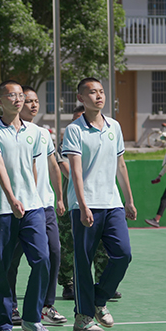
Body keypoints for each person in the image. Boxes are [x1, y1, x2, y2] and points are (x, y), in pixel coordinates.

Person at [62, 78, 137, 331]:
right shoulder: (74, 130)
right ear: (81, 98)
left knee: (123, 254)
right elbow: (75, 170)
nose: (99, 96)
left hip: (112, 204)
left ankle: (98, 299)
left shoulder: (114, 126)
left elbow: (120, 164)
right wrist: (83, 205)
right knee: (83, 262)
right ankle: (82, 318)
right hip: (85, 205)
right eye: (92, 92)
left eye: (101, 92)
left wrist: (128, 199)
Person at [0, 80, 52, 331]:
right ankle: (3, 325)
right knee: (1, 269)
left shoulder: (35, 132)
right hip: (2, 209)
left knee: (42, 260)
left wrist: (32, 197)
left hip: (32, 208)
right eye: (12, 95)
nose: (18, 99)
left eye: (21, 95)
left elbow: (32, 167)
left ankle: (32, 318)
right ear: (0, 100)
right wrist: (12, 199)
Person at [6, 87, 67, 326]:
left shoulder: (43, 133)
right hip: (18, 207)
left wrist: (59, 197)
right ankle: (11, 307)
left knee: (53, 252)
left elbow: (53, 165)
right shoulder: (5, 132)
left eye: (35, 101)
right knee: (11, 260)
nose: (33, 105)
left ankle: (46, 305)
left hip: (45, 205)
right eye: (27, 100)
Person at [57, 105, 113, 301]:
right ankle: (68, 282)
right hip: (72, 203)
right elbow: (65, 167)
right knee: (69, 245)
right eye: (75, 119)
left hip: (98, 201)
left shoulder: (102, 135)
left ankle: (102, 283)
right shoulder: (66, 141)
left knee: (102, 246)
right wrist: (81, 180)